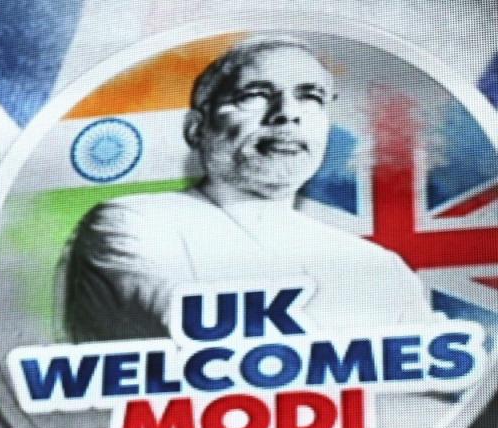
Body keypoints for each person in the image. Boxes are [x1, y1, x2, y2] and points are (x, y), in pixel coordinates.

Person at [62, 36, 438, 343]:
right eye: (254, 94)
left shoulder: (377, 267)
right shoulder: (134, 222)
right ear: (196, 129)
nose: (287, 113)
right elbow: (198, 346)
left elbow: (442, 389)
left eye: (311, 97)